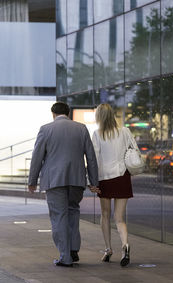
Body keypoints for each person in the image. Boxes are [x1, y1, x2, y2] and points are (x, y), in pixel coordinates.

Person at [28, 102, 100, 267]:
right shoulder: (81, 128)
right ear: (68, 113)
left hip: (54, 181)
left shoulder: (46, 129)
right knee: (73, 211)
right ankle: (73, 249)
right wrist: (93, 182)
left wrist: (32, 181)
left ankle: (65, 257)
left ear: (53, 114)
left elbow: (37, 157)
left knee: (59, 216)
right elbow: (91, 157)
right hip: (76, 180)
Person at [92, 103, 137, 267]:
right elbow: (134, 150)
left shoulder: (97, 135)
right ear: (112, 115)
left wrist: (92, 181)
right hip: (122, 177)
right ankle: (125, 245)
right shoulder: (124, 131)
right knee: (119, 218)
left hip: (104, 178)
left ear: (99, 117)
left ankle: (108, 249)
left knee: (105, 215)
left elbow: (94, 160)